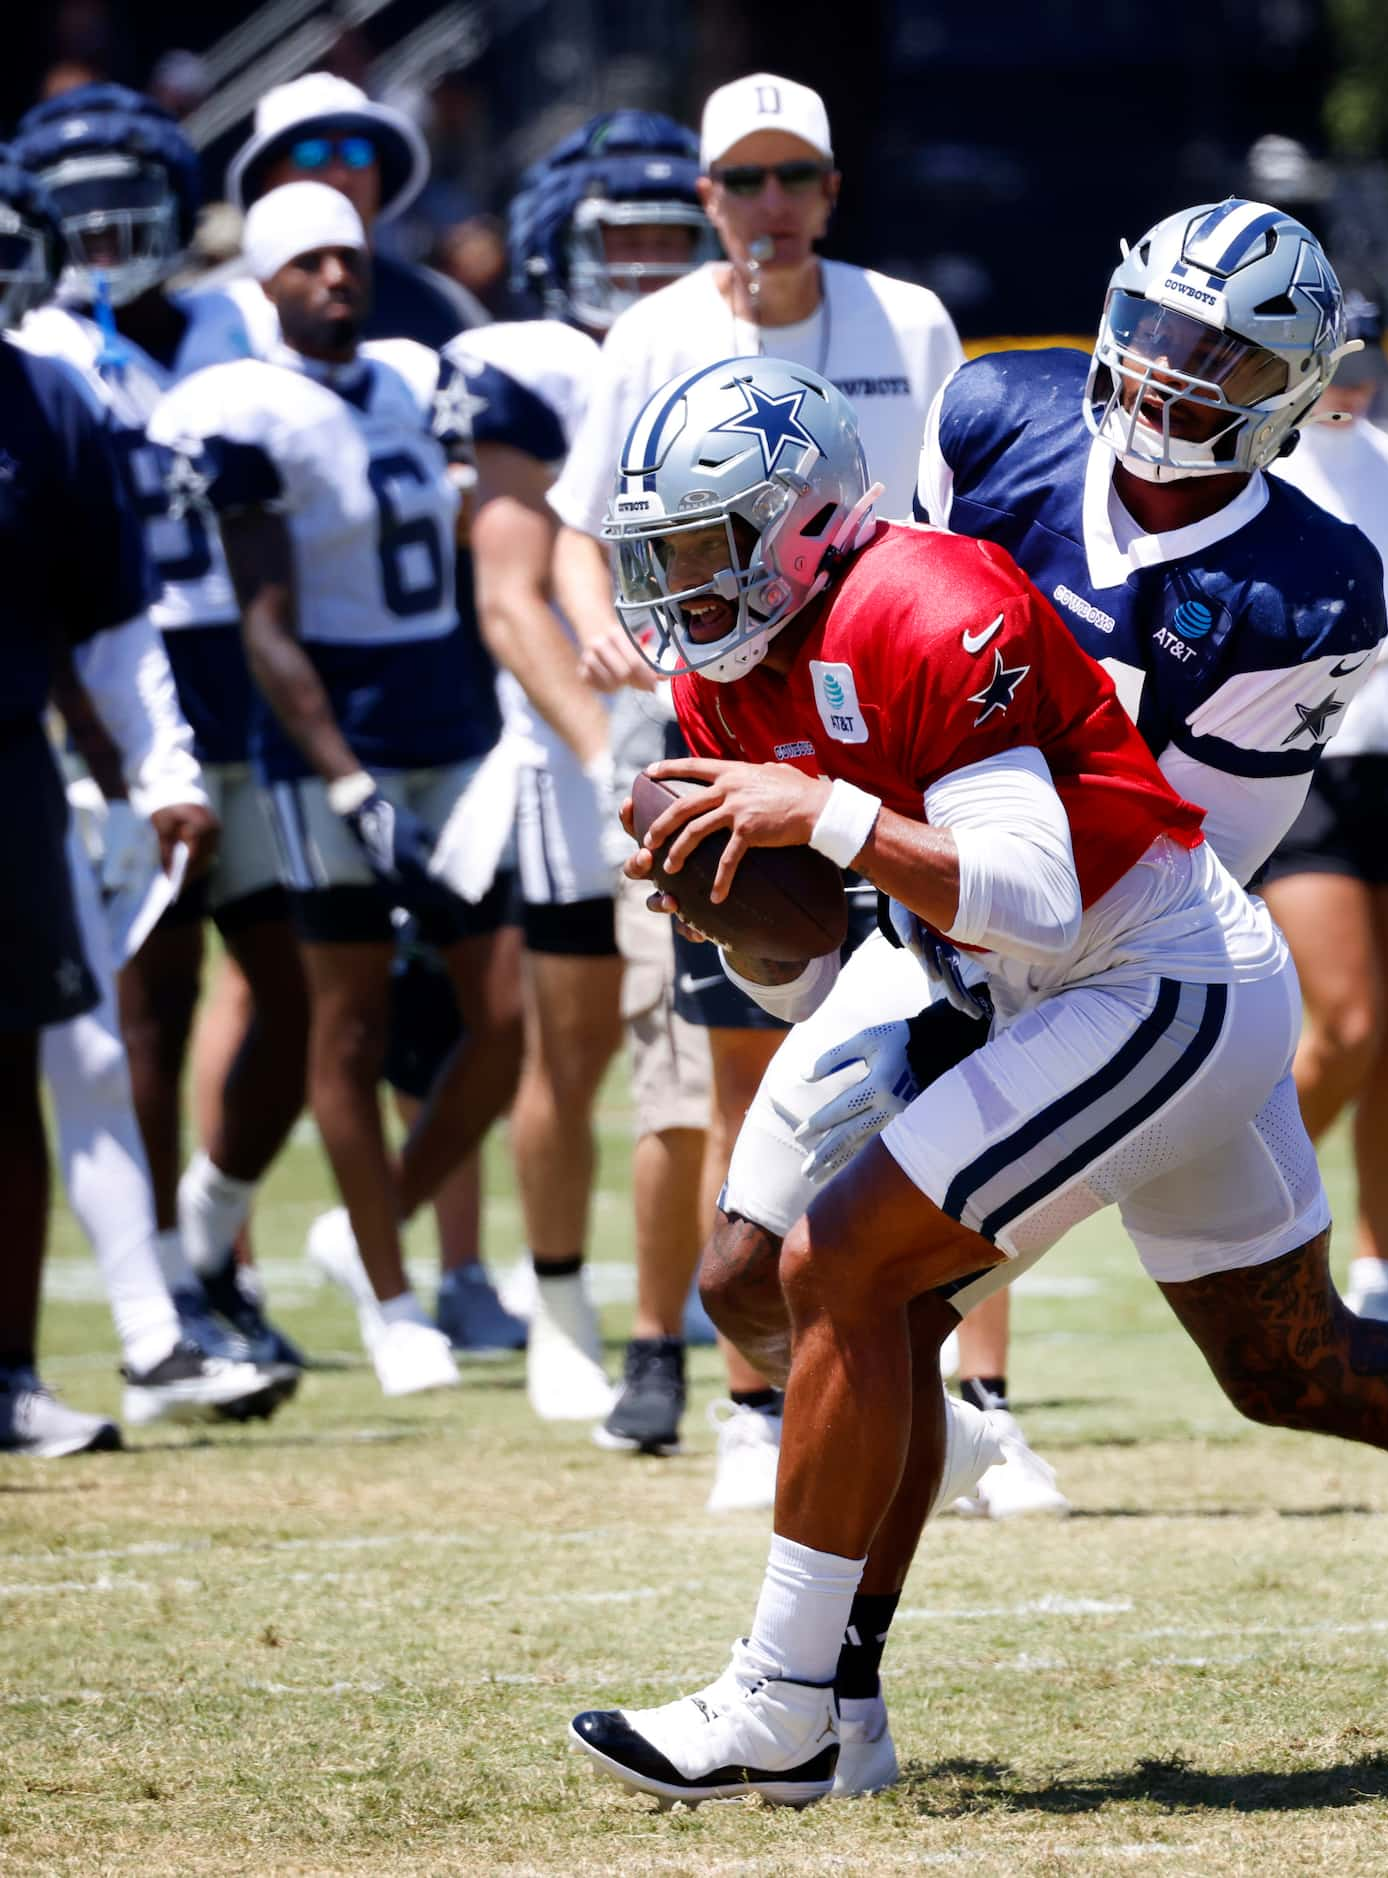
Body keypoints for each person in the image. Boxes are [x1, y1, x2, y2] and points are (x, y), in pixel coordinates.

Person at [563, 356, 1388, 1806]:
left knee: (851, 1269)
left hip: (1148, 972)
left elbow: (1028, 884)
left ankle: (790, 1698)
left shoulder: (928, 600)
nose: (678, 592)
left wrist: (824, 815)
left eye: (706, 549)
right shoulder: (730, 663)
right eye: (659, 554)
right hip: (981, 962)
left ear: (805, 521)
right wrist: (744, 909)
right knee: (1232, 1353)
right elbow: (811, 957)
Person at [700, 194, 1388, 1526]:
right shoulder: (993, 417)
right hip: (930, 908)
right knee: (743, 1276)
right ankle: (943, 1450)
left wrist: (940, 934)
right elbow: (886, 642)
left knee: (1288, 1359)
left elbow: (1189, 850)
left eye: (1219, 356)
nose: (1167, 370)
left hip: (1122, 963)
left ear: (1289, 391)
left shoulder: (1308, 584)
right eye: (1155, 328)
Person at [547, 71, 964, 1510]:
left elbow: (953, 520)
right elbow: (577, 529)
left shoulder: (907, 317)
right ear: (707, 198)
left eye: (795, 178)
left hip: (895, 719)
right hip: (729, 715)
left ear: (831, 192)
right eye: (743, 182)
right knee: (741, 1066)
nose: (769, 206)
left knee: (968, 1057)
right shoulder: (655, 329)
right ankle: (747, 1397)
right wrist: (595, 625)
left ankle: (980, 1395)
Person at [151, 183, 519, 1396]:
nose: (334, 278)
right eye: (304, 262)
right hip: (329, 738)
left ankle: (370, 1247)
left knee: (503, 1014)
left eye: (346, 258)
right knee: (346, 1022)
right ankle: (396, 1304)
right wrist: (346, 776)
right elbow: (265, 625)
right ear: (263, 281)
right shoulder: (239, 405)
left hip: (452, 718)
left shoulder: (419, 373)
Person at [10, 84, 311, 1374]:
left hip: (227, 689)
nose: (106, 233)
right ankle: (169, 1309)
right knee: (134, 1006)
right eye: (76, 212)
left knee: (282, 1000)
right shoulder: (45, 357)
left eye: (129, 202)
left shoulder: (239, 324)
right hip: (94, 707)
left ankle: (200, 1254)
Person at [432, 111, 720, 1430]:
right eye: (628, 237)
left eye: (675, 233)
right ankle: (555, 1295)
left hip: (721, 726)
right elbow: (509, 596)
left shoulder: (731, 339)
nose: (653, 261)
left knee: (711, 1038)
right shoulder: (525, 363)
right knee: (576, 1036)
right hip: (575, 747)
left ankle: (708, 1276)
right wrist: (609, 751)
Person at [0, 154, 160, 1453]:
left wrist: (132, 771)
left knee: (15, 1070)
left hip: (8, 764)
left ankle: (7, 1371)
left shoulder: (50, 402)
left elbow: (95, 614)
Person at [1252, 302, 1388, 1326]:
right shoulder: (1259, 472)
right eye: (1333, 364)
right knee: (1348, 1020)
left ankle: (1377, 1270)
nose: (1351, 385)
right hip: (1300, 766)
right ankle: (1243, 1201)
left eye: (1362, 363)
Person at [214, 72, 485, 349]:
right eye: (312, 155)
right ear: (267, 180)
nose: (340, 175)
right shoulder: (217, 311)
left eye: (357, 152)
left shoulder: (444, 309)